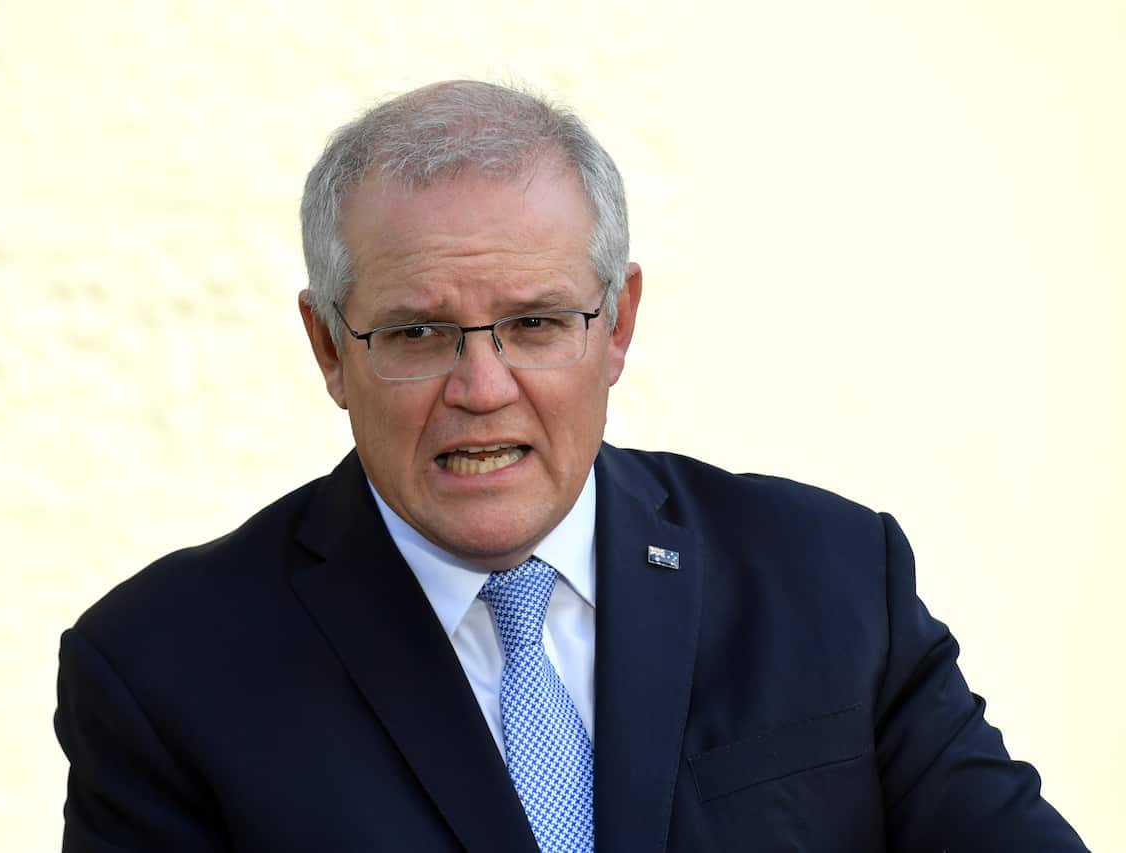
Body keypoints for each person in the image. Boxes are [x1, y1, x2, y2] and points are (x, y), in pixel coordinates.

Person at [54, 80, 1087, 852]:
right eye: (417, 333)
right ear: (329, 347)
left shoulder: (829, 577)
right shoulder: (161, 668)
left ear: (618, 323)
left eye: (536, 323)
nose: (481, 386)